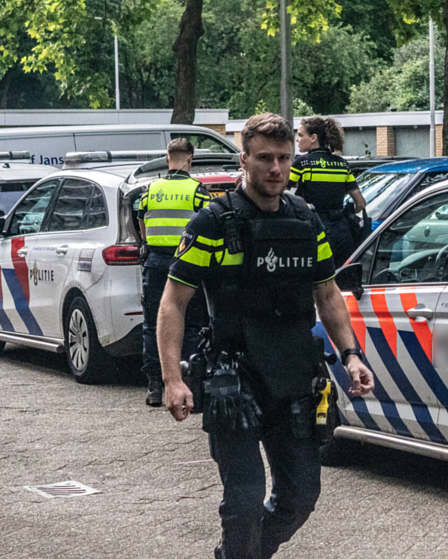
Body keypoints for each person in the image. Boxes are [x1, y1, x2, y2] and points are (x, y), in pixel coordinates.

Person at [157, 113, 374, 559]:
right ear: (244, 160)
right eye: (264, 158)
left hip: (295, 374)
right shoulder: (214, 223)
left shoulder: (305, 220)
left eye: (283, 158)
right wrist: (171, 379)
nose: (275, 169)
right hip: (234, 379)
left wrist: (351, 355)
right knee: (244, 499)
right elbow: (173, 302)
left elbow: (328, 294)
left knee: (300, 498)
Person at [137, 137, 212, 407]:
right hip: (188, 263)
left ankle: (156, 387)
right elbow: (208, 226)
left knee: (153, 324)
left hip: (156, 262)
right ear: (190, 158)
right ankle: (190, 383)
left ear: (167, 158)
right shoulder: (198, 190)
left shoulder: (150, 189)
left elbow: (141, 219)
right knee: (191, 324)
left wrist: (147, 244)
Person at [289, 116, 366, 266]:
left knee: (318, 279)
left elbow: (279, 192)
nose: (297, 140)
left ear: (313, 138)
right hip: (343, 231)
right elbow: (361, 203)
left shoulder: (302, 163)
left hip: (315, 230)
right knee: (343, 280)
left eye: (300, 135)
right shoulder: (342, 164)